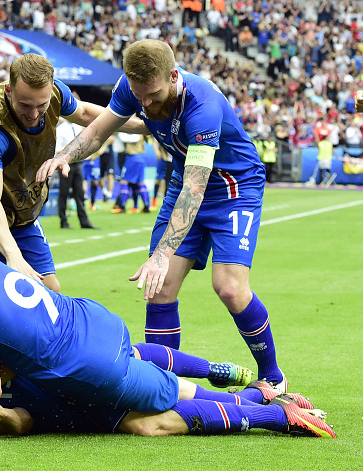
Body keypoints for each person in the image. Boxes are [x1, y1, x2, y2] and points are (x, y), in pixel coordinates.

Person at [0, 238, 334, 439]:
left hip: (84, 364)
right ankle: (261, 395)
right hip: (88, 318)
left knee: (155, 414)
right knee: (153, 400)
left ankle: (273, 414)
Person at [36, 40, 286, 391]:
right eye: (139, 97)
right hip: (185, 181)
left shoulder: (203, 106)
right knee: (159, 287)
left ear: (172, 75)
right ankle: (164, 387)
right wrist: (65, 156)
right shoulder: (132, 87)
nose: (146, 104)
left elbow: (197, 189)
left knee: (229, 288)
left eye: (152, 95)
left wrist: (162, 254)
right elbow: (97, 132)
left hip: (232, 189)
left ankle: (273, 376)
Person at [0, 54, 145, 293]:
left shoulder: (56, 92)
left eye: (42, 105)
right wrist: (13, 256)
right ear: (8, 90)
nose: (35, 114)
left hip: (19, 200)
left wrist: (140, 127)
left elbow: (86, 113)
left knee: (49, 289)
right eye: (25, 105)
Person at [55, 117, 98, 229]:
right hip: (66, 164)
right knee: (64, 192)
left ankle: (84, 221)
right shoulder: (61, 129)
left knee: (79, 192)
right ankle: (63, 221)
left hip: (78, 163)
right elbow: (58, 148)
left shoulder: (77, 126)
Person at [111, 133, 151, 214]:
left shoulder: (134, 134)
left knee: (124, 181)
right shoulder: (141, 133)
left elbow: (124, 138)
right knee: (140, 182)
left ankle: (122, 206)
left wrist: (119, 129)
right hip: (141, 157)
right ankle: (146, 205)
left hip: (132, 158)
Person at [151, 138, 173, 210]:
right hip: (162, 159)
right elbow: (155, 142)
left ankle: (166, 201)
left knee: (166, 181)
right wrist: (157, 151)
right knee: (158, 180)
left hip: (169, 160)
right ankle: (154, 201)